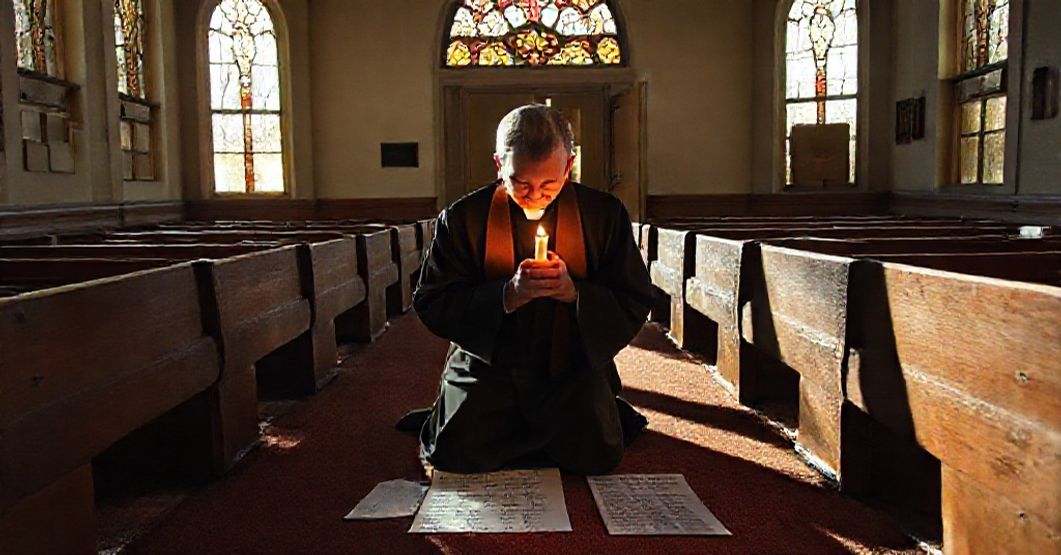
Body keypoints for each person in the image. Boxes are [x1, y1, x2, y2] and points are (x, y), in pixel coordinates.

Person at [406, 104, 654, 475]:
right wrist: (505, 296)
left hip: (572, 364)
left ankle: (601, 408)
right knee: (456, 452)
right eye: (520, 182)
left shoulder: (604, 215)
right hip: (490, 365)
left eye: (549, 184)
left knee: (597, 454)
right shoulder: (463, 219)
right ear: (498, 164)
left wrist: (576, 294)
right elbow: (432, 298)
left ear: (568, 167)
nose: (535, 195)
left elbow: (633, 296)